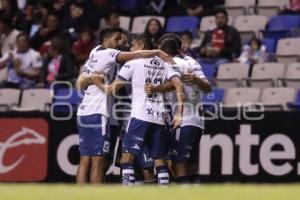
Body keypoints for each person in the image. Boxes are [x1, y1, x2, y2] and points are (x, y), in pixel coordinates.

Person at [75, 28, 173, 184]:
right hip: (104, 113)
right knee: (102, 161)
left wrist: (90, 80)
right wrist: (157, 52)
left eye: (129, 43)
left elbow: (82, 82)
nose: (124, 45)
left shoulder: (95, 52)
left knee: (92, 160)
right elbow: (133, 57)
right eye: (118, 39)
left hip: (98, 113)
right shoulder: (110, 54)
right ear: (106, 40)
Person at [146, 33, 211, 183]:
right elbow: (204, 87)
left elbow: (176, 84)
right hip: (195, 121)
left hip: (184, 120)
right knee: (191, 167)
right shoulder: (189, 62)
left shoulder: (173, 62)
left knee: (178, 165)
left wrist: (155, 89)